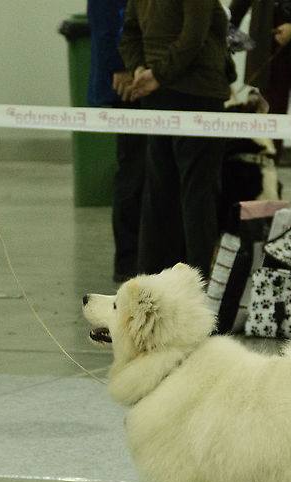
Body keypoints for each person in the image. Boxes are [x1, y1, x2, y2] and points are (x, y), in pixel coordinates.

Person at [118, 0, 231, 278]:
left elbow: (129, 35)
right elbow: (193, 38)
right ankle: (199, 283)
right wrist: (156, 75)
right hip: (197, 94)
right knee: (198, 194)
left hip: (157, 97)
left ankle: (152, 280)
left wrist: (141, 71)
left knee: (159, 192)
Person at [228, 0, 291, 208]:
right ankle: (269, 183)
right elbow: (237, 8)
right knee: (271, 122)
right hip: (268, 49)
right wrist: (234, 38)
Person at [87, 0, 145, 282]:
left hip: (139, 79)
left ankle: (136, 258)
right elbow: (107, 27)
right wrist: (121, 67)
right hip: (128, 83)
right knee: (133, 173)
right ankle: (128, 261)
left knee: (140, 172)